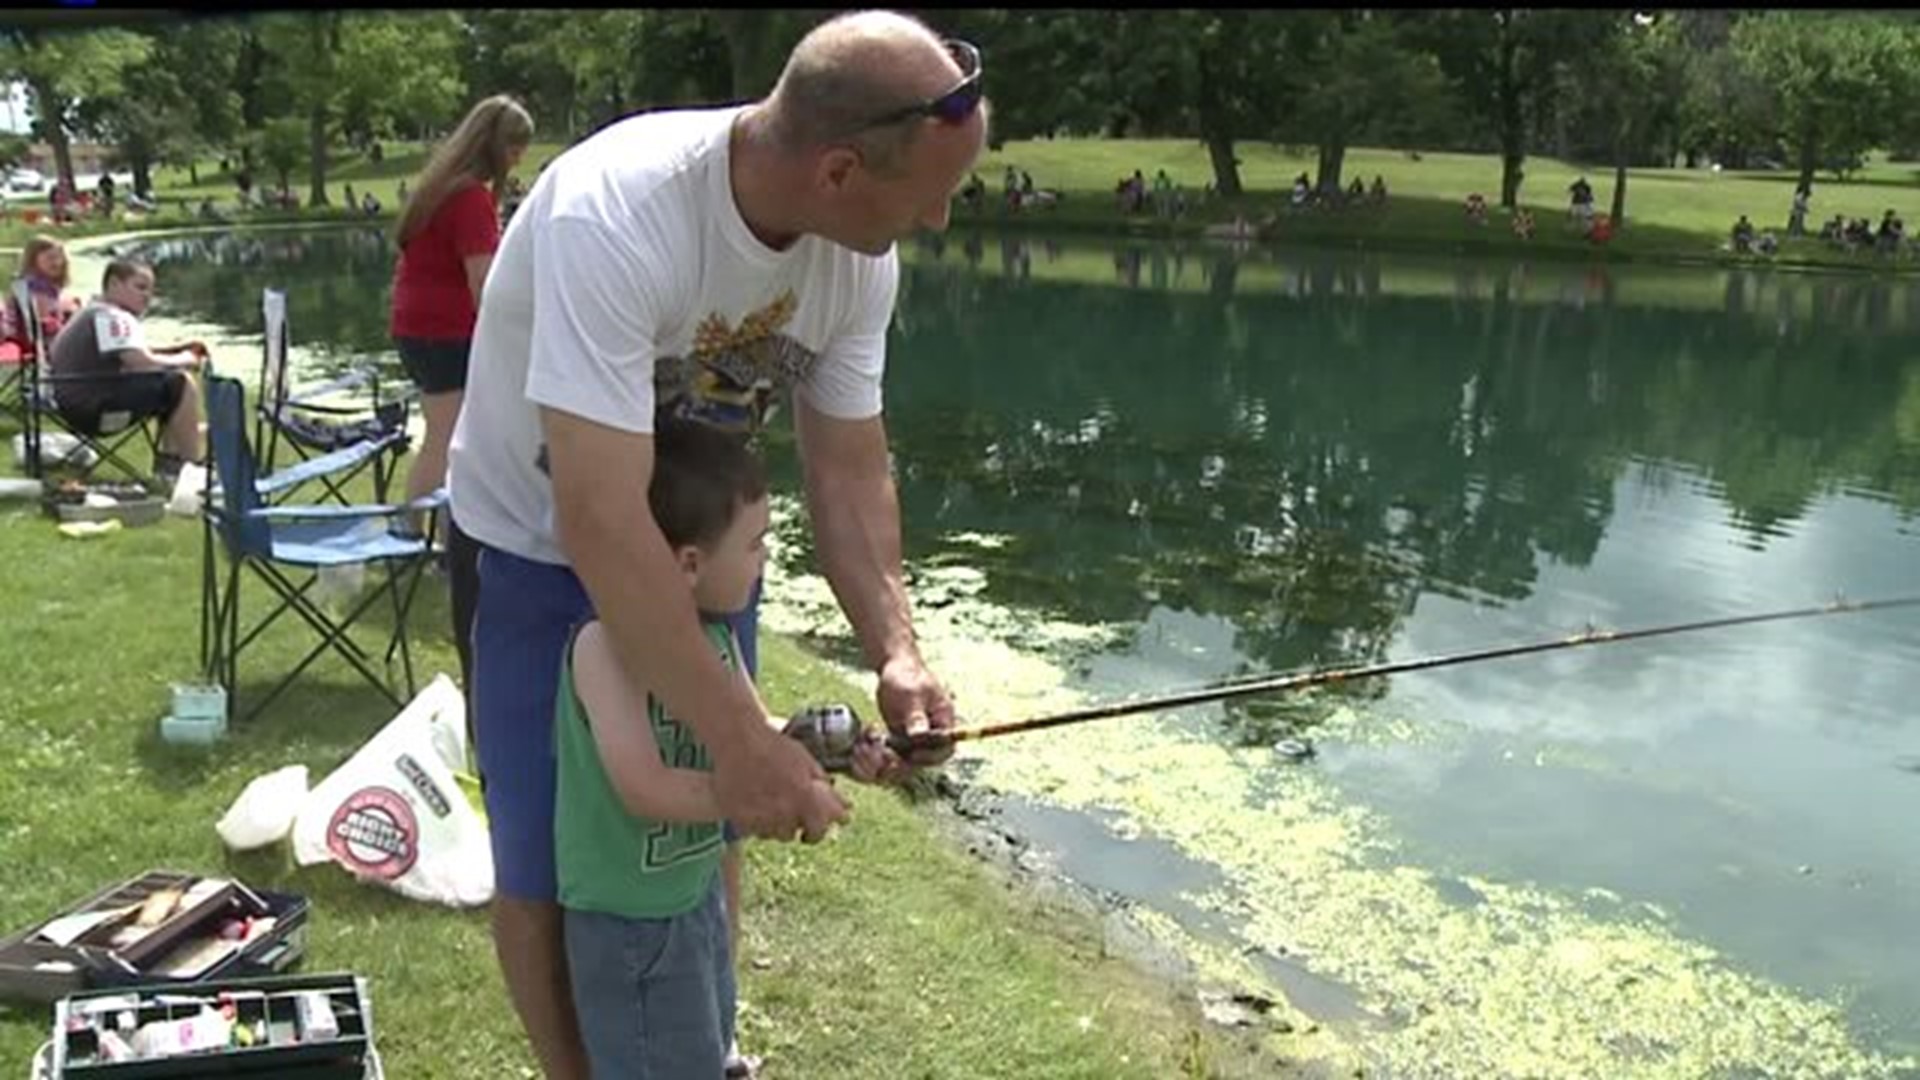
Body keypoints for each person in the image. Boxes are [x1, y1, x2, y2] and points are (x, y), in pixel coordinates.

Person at [445, 11, 974, 1076]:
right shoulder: (622, 214)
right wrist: (741, 737)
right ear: (836, 169)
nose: (942, 218)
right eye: (933, 192)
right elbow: (597, 516)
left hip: (703, 552)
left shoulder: (856, 259)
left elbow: (848, 467)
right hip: (536, 546)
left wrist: (896, 650)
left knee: (714, 823)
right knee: (554, 856)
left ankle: (708, 1047)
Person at [558, 419, 892, 1078]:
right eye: (756, 543)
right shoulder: (603, 648)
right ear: (688, 563)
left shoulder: (714, 642)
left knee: (704, 1044)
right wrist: (757, 791)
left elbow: (757, 734)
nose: (765, 557)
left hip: (692, 896)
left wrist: (833, 751)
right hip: (629, 926)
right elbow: (642, 785)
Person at [388, 93, 534, 587]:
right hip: (445, 331)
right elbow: (484, 284)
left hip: (415, 325)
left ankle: (422, 537)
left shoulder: (438, 187)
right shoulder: (469, 197)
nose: (520, 158)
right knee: (448, 440)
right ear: (495, 145)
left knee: (441, 434)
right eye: (515, 147)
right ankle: (413, 541)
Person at [46, 258, 208, 483]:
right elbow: (139, 362)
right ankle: (194, 470)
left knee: (170, 390)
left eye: (151, 290)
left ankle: (172, 468)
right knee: (180, 383)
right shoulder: (113, 316)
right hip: (95, 412)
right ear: (113, 284)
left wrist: (173, 352)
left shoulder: (92, 311)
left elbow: (131, 353)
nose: (147, 296)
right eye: (140, 287)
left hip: (72, 406)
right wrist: (185, 358)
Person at [10, 236, 81, 340]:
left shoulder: (57, 290)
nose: (56, 263)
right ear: (33, 260)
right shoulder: (29, 289)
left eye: (59, 257)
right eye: (50, 258)